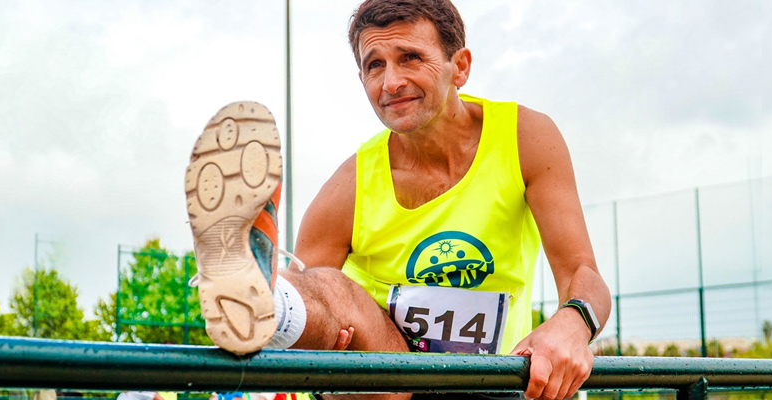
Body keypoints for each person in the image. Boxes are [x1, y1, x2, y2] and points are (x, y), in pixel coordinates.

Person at [183, 1, 611, 399]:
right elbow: (320, 306)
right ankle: (258, 288)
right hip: (388, 379)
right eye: (375, 65)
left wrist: (574, 322)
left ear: (459, 66)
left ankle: (262, 289)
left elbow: (581, 271)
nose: (391, 82)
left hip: (494, 381)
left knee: (331, 293)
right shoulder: (347, 187)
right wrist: (326, 368)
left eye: (410, 57)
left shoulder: (525, 138)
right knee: (330, 290)